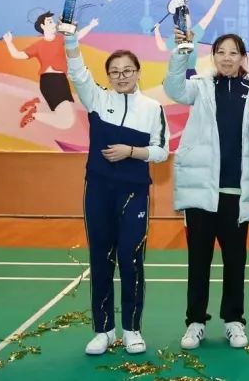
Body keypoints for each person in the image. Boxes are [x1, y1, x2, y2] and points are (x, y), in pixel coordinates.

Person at [163, 30, 249, 350]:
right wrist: (182, 51)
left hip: (236, 192)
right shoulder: (199, 86)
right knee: (198, 260)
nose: (227, 58)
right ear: (213, 56)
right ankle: (195, 322)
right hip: (201, 190)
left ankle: (234, 321)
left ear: (243, 58)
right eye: (221, 52)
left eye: (233, 52)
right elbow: (173, 89)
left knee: (235, 262)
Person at [64, 33, 169, 355]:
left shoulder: (152, 108)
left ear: (138, 72)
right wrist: (70, 41)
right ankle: (104, 331)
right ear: (108, 76)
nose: (121, 77)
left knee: (131, 259)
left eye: (127, 71)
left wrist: (131, 151)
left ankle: (132, 330)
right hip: (98, 190)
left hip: (134, 193)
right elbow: (78, 73)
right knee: (101, 259)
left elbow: (161, 151)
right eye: (115, 72)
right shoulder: (97, 100)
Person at [3, 11, 98, 129]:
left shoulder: (60, 39)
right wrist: (9, 42)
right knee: (66, 122)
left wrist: (91, 25)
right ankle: (34, 113)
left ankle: (36, 105)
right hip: (51, 81)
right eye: (49, 22)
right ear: (42, 26)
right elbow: (17, 55)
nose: (53, 24)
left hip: (60, 81)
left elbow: (76, 36)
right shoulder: (38, 45)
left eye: (53, 21)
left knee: (64, 119)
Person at [154, 0, 225, 78]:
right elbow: (206, 19)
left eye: (188, 17)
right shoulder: (189, 34)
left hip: (184, 73)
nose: (189, 19)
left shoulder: (185, 35)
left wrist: (157, 31)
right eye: (186, 17)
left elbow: (162, 47)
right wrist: (216, 4)